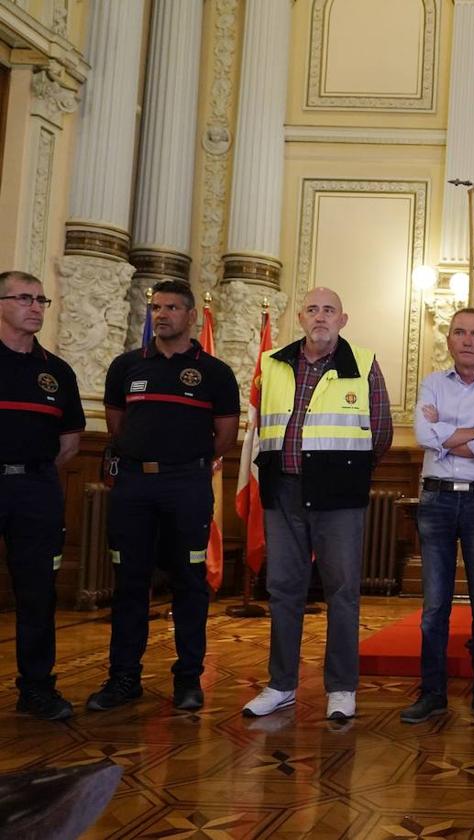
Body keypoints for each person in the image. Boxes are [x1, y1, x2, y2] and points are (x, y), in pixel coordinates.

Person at [242, 287, 393, 721]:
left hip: (338, 494)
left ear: (343, 320)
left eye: (329, 310)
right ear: (301, 318)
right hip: (281, 491)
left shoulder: (362, 363)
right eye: (312, 310)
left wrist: (346, 471)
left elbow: (380, 434)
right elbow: (263, 426)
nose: (320, 317)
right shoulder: (273, 364)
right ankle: (281, 684)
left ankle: (342, 688)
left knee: (342, 592)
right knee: (283, 590)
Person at [89, 280, 240, 712]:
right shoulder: (127, 366)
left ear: (191, 315)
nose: (162, 314)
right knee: (130, 583)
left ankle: (188, 680)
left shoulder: (214, 373)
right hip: (134, 487)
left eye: (172, 307)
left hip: (187, 487)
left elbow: (225, 435)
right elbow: (117, 423)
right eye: (157, 307)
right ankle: (123, 679)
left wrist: (182, 464)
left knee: (190, 583)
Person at [401, 308, 474, 726]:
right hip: (437, 501)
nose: (468, 340)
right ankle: (433, 694)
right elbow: (421, 435)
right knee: (434, 607)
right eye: (460, 333)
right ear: (449, 340)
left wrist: (448, 433)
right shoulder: (432, 383)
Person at [0, 271, 84, 720]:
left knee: (37, 594)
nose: (35, 306)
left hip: (35, 490)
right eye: (24, 298)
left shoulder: (57, 371)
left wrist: (28, 475)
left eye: (41, 299)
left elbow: (70, 444)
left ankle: (36, 688)